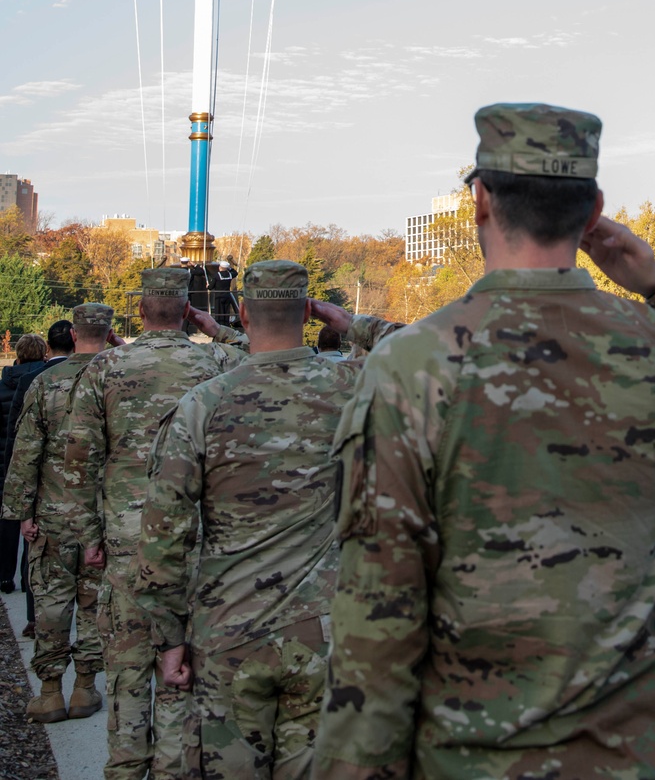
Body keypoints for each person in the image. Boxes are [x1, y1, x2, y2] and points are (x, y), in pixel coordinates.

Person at [311, 101, 655, 780]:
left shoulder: (411, 366)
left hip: (473, 758)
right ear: (595, 207)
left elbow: (377, 625)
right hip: (635, 758)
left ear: (480, 202)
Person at [134, 266, 398, 780]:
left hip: (230, 631)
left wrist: (168, 640)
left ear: (244, 313)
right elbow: (438, 357)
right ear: (307, 312)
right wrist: (352, 323)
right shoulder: (352, 385)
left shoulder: (201, 406)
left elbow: (163, 535)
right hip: (326, 632)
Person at [63, 267, 246, 780]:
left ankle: (125, 767)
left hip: (127, 540)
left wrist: (88, 539)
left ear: (139, 310)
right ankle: (172, 768)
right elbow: (265, 349)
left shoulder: (105, 368)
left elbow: (78, 458)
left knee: (125, 663)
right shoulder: (216, 360)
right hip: (194, 540)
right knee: (182, 667)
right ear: (187, 309)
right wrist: (216, 327)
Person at [1, 304, 115, 723]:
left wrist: (21, 513)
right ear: (109, 332)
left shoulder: (45, 381)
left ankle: (50, 692)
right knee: (94, 604)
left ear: (71, 331)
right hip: (104, 515)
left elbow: (25, 451)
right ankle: (85, 687)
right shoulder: (119, 379)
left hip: (52, 512)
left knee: (51, 603)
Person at [1, 325, 73, 631]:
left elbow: (16, 434)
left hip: (17, 463)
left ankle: (10, 580)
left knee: (19, 530)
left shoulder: (22, 383)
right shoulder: (52, 379)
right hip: (56, 473)